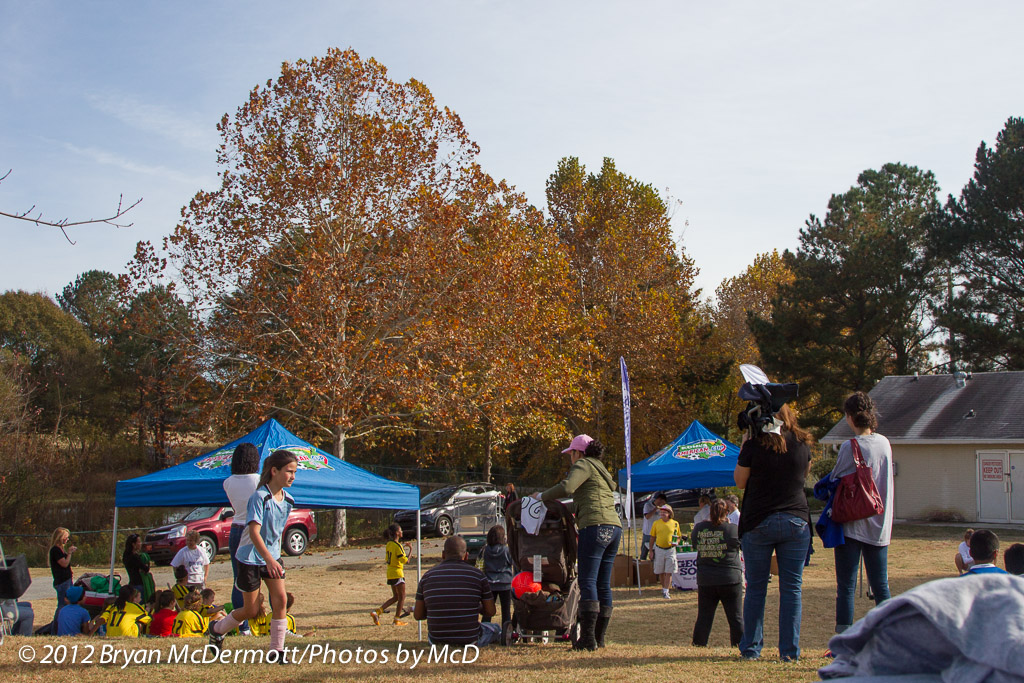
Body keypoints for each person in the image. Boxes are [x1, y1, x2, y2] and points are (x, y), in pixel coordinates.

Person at [734, 404, 813, 662]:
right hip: (796, 520)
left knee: (756, 588)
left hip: (759, 520)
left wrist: (747, 442)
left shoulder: (755, 445)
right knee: (792, 589)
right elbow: (804, 473)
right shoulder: (802, 443)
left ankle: (751, 649)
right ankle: (789, 652)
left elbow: (740, 481)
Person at [208, 449, 298, 660]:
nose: (293, 476)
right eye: (289, 471)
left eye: (295, 472)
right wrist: (268, 558)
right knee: (250, 610)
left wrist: (274, 557)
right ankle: (217, 629)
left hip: (271, 558)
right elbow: (253, 532)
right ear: (274, 471)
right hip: (250, 557)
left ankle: (276, 651)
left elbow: (276, 532)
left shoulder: (289, 500)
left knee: (281, 600)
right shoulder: (259, 497)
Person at [536, 435, 621, 651]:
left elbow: (567, 488)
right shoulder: (600, 468)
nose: (570, 459)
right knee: (603, 583)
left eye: (571, 454)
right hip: (614, 528)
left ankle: (588, 639)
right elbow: (585, 501)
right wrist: (560, 509)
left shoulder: (583, 464)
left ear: (578, 453)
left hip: (594, 526)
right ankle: (599, 638)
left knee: (587, 581)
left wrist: (541, 497)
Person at [828, 392, 894, 634]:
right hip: (880, 522)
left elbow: (835, 479)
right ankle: (889, 633)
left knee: (846, 585)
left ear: (849, 417)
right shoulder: (885, 443)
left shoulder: (850, 446)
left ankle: (843, 635)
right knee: (880, 584)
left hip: (852, 523)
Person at [414, 535, 499, 647]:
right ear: (466, 556)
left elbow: (418, 615)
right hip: (469, 639)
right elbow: (490, 611)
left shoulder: (427, 577)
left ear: (443, 554)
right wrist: (476, 607)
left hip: (436, 639)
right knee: (496, 628)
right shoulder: (478, 576)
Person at [691, 499, 743, 647]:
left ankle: (699, 644)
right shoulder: (733, 529)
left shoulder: (700, 528)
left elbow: (695, 544)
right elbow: (741, 544)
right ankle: (739, 644)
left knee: (704, 616)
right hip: (730, 577)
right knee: (736, 616)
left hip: (707, 579)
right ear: (727, 512)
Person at [224, 441, 260, 635]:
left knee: (238, 579)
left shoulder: (228, 482)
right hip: (252, 528)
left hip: (235, 529)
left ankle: (241, 625)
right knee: (265, 576)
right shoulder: (258, 480)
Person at [371, 523, 411, 626]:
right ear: (397, 533)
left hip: (390, 572)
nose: (402, 532)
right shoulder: (398, 546)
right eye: (401, 530)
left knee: (396, 596)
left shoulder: (389, 544)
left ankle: (377, 612)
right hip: (397, 573)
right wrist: (410, 549)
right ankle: (396, 620)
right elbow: (405, 560)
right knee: (402, 596)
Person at [481, 524, 514, 625]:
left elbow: (481, 564)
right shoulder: (506, 550)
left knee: (488, 611)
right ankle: (506, 632)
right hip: (505, 583)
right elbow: (511, 562)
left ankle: (485, 629)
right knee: (506, 610)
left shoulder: (485, 550)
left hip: (490, 583)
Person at [649, 504, 681, 599]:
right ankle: (663, 588)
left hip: (670, 550)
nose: (662, 513)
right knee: (661, 571)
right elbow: (652, 537)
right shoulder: (656, 523)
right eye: (661, 512)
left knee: (669, 571)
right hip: (659, 549)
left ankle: (666, 591)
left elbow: (678, 537)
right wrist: (651, 550)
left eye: (664, 512)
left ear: (669, 513)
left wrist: (677, 542)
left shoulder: (675, 523)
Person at [48, 526, 77, 631]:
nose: (67, 539)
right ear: (60, 537)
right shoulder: (55, 550)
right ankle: (55, 628)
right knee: (62, 605)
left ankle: (65, 626)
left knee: (69, 603)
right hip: (62, 582)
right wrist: (69, 553)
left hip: (67, 579)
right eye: (66, 537)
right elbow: (64, 563)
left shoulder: (60, 549)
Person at [122, 533, 151, 601]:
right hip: (139, 584)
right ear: (133, 544)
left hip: (132, 583)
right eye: (139, 542)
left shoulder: (126, 556)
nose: (140, 543)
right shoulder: (135, 557)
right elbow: (146, 569)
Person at [640, 492, 667, 561]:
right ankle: (641, 565)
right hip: (647, 533)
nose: (662, 505)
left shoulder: (662, 509)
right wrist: (655, 509)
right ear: (659, 500)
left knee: (655, 552)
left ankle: (652, 566)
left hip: (656, 533)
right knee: (644, 552)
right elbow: (647, 516)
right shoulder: (648, 505)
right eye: (662, 503)